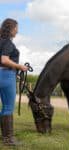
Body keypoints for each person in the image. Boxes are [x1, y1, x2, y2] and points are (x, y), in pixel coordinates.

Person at [0, 18, 28, 146]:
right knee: (7, 107)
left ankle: (4, 136)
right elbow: (4, 60)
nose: (17, 30)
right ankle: (8, 139)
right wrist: (20, 67)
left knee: (4, 107)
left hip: (3, 74)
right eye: (16, 27)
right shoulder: (8, 43)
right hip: (6, 75)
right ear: (10, 28)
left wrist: (16, 76)